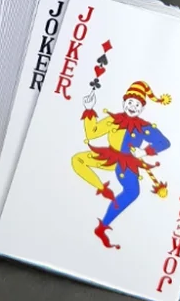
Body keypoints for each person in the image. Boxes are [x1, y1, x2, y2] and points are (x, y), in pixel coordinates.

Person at [71, 80, 172, 248]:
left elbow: (164, 142)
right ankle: (103, 189)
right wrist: (89, 110)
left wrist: (144, 151)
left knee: (133, 192)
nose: (132, 107)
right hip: (108, 156)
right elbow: (92, 133)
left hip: (126, 163)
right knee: (77, 159)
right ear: (124, 102)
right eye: (130, 102)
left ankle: (102, 226)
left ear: (142, 108)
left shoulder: (143, 127)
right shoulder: (113, 120)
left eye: (137, 104)